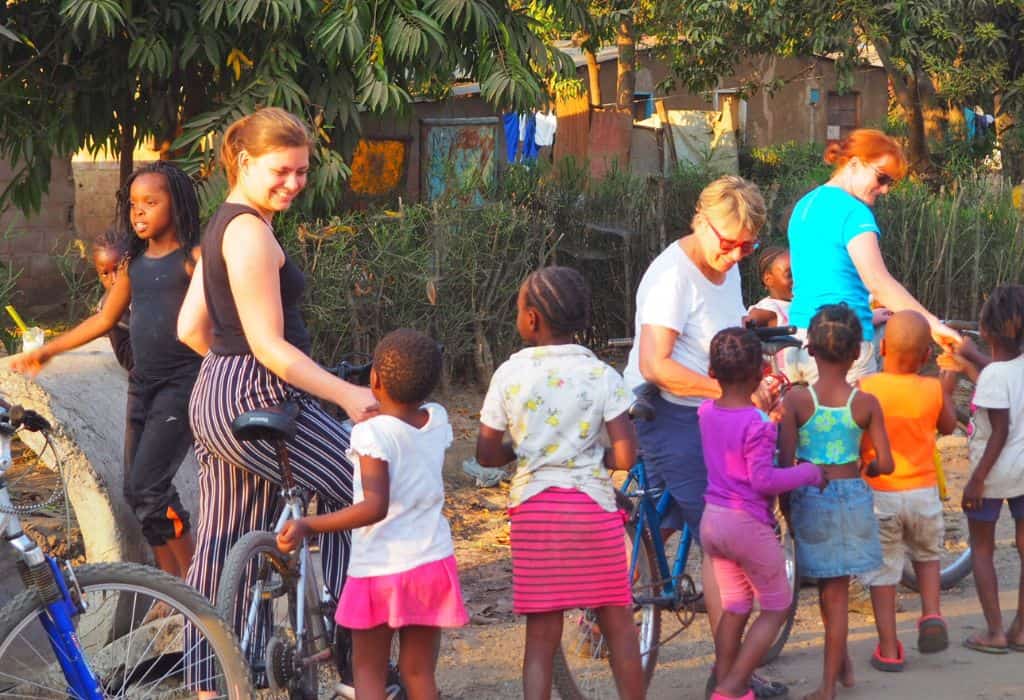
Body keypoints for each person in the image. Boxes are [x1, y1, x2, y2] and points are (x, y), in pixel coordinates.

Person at [175, 107, 376, 693]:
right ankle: (346, 648)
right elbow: (267, 344)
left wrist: (226, 370)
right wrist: (348, 393)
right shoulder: (251, 232)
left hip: (214, 392)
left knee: (219, 541)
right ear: (244, 160)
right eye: (281, 170)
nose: (293, 183)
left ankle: (210, 684)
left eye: (301, 172)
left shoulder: (222, 225)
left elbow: (191, 327)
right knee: (361, 485)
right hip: (262, 393)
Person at [622, 176, 786, 698]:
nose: (736, 254)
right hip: (667, 408)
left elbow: (726, 330)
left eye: (748, 246)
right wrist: (727, 389)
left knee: (671, 515)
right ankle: (731, 671)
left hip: (710, 408)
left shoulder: (726, 267)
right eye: (729, 242)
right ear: (701, 221)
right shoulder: (673, 276)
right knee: (722, 538)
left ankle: (610, 600)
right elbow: (656, 364)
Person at [11, 161, 202, 579]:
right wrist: (49, 351)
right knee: (136, 492)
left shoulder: (193, 260)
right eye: (133, 204)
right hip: (142, 388)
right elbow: (102, 321)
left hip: (181, 386)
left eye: (151, 202)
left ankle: (194, 587)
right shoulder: (134, 264)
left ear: (179, 204)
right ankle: (172, 588)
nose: (139, 212)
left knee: (153, 486)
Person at [475, 266, 644, 700]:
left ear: (531, 319)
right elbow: (625, 456)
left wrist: (524, 448)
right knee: (618, 624)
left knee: (541, 639)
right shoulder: (603, 374)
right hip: (593, 509)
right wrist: (591, 456)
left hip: (536, 512)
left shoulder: (509, 375)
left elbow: (486, 454)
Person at [276, 329, 468, 698]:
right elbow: (408, 419)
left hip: (380, 571)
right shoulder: (437, 419)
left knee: (368, 672)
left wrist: (307, 524)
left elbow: (374, 507)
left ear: (374, 379)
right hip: (431, 564)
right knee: (418, 673)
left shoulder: (371, 435)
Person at [699, 327, 826, 700]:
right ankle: (733, 686)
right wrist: (809, 472)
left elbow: (734, 447)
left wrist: (763, 417)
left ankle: (726, 682)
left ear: (711, 372)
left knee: (735, 606)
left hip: (713, 520)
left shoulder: (706, 412)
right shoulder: (756, 425)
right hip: (746, 525)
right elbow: (763, 479)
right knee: (776, 605)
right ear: (761, 373)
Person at [778, 304, 894, 700]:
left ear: (808, 349)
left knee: (831, 592)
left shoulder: (796, 401)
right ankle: (841, 669)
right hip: (854, 497)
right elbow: (886, 462)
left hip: (812, 496)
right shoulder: (865, 403)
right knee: (837, 589)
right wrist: (867, 470)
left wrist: (786, 509)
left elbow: (784, 464)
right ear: (856, 352)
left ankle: (827, 686)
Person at [786, 129, 961, 384]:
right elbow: (878, 283)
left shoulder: (805, 204)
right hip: (842, 347)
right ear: (854, 164)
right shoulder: (854, 212)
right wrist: (933, 325)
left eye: (891, 182)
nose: (885, 189)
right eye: (881, 178)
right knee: (858, 422)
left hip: (798, 343)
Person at [858, 310, 957, 671]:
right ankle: (931, 613)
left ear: (882, 347)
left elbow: (856, 434)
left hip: (881, 493)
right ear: (927, 357)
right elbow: (947, 426)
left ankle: (888, 648)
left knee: (884, 571)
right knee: (927, 556)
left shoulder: (867, 388)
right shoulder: (931, 387)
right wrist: (945, 386)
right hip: (923, 493)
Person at [939, 284, 1024, 654]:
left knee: (983, 550)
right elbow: (1002, 383)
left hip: (991, 475)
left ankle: (994, 631)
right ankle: (1020, 628)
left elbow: (998, 431)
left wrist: (974, 481)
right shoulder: (1009, 370)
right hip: (1023, 473)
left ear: (985, 330)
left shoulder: (993, 376)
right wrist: (972, 361)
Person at [91, 229, 133, 372]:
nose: (114, 280)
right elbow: (127, 359)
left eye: (119, 269)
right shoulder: (110, 309)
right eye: (105, 274)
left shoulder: (154, 287)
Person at [746, 246, 792, 328]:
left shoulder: (799, 302)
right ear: (768, 280)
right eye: (790, 275)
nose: (797, 279)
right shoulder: (770, 309)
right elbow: (745, 325)